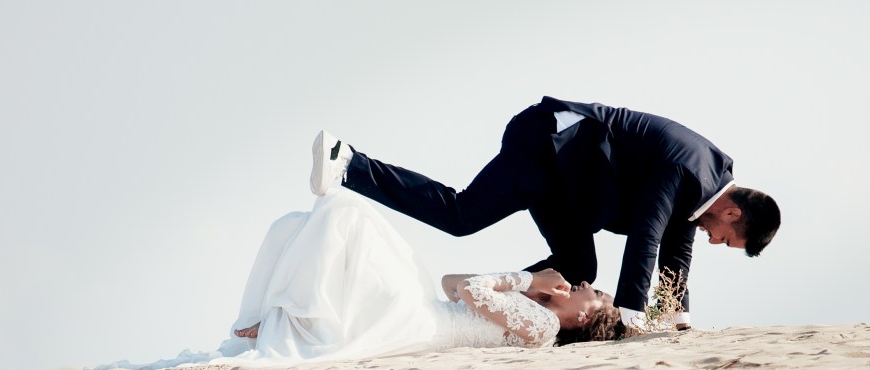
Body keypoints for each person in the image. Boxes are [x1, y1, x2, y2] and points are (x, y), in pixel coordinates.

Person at [310, 96, 781, 331]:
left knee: (577, 269)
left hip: (569, 187)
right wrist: (636, 316)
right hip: (545, 150)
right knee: (460, 215)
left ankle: (476, 304)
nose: (716, 242)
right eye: (728, 238)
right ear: (732, 210)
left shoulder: (705, 188)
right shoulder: (689, 168)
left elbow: (677, 246)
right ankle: (349, 161)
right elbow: (646, 237)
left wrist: (676, 317)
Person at [96, 188, 622, 370]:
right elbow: (450, 282)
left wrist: (526, 277)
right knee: (294, 227)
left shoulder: (543, 330)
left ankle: (280, 314)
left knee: (348, 215)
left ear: (581, 322)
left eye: (593, 297)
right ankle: (252, 323)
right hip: (420, 306)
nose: (585, 287)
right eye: (592, 287)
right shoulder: (531, 308)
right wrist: (526, 283)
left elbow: (472, 291)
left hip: (411, 326)